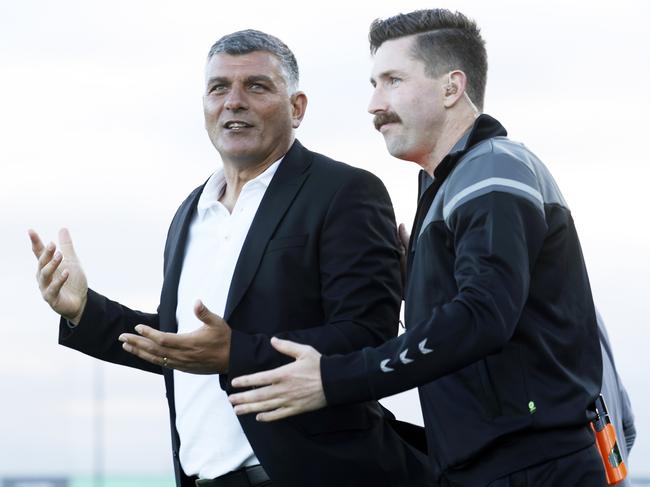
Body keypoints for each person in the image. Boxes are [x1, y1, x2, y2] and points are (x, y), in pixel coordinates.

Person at [29, 30, 433, 487]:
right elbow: (185, 345)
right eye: (219, 87)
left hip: (315, 472)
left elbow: (367, 335)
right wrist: (83, 309)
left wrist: (236, 353)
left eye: (256, 86)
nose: (234, 101)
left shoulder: (345, 191)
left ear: (296, 108)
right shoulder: (190, 212)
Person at [228, 10, 610, 486]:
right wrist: (417, 279)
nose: (373, 104)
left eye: (392, 80)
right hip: (483, 465)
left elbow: (483, 315)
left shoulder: (493, 170)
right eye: (374, 83)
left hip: (534, 467)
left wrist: (334, 379)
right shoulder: (445, 187)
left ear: (451, 88)